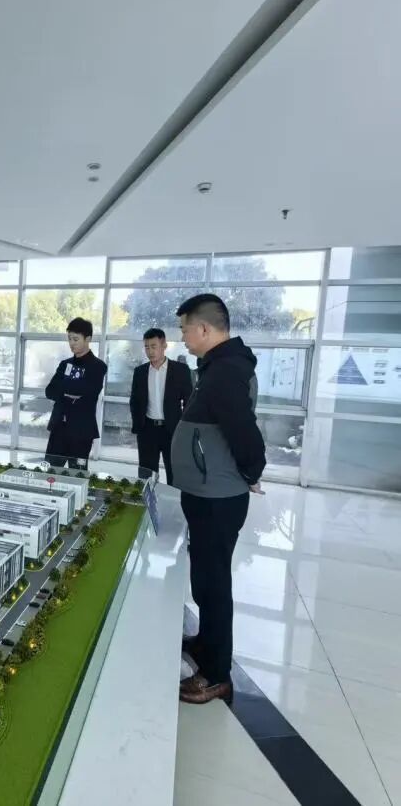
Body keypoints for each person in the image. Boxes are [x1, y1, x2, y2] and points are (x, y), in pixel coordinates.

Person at [170, 294, 266, 705]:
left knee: (214, 584)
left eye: (184, 329)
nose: (182, 337)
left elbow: (244, 431)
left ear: (204, 328)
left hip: (217, 498)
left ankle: (216, 674)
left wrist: (251, 472)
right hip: (208, 492)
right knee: (206, 579)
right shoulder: (217, 367)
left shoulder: (225, 371)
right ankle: (206, 642)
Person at [129, 328, 193, 485]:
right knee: (146, 474)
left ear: (164, 345)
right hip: (147, 430)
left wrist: (184, 429)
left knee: (175, 472)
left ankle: (174, 499)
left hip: (172, 429)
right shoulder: (140, 372)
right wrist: (138, 426)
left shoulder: (181, 370)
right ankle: (148, 499)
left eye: (154, 346)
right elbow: (134, 401)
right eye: (146, 347)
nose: (150, 351)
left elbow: (189, 402)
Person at [44, 318, 107, 469]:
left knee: (77, 474)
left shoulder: (98, 366)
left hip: (81, 431)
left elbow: (89, 394)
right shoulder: (65, 364)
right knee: (49, 473)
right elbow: (49, 391)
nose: (72, 343)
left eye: (76, 339)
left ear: (88, 339)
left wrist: (65, 388)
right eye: (69, 339)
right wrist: (71, 392)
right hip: (58, 428)